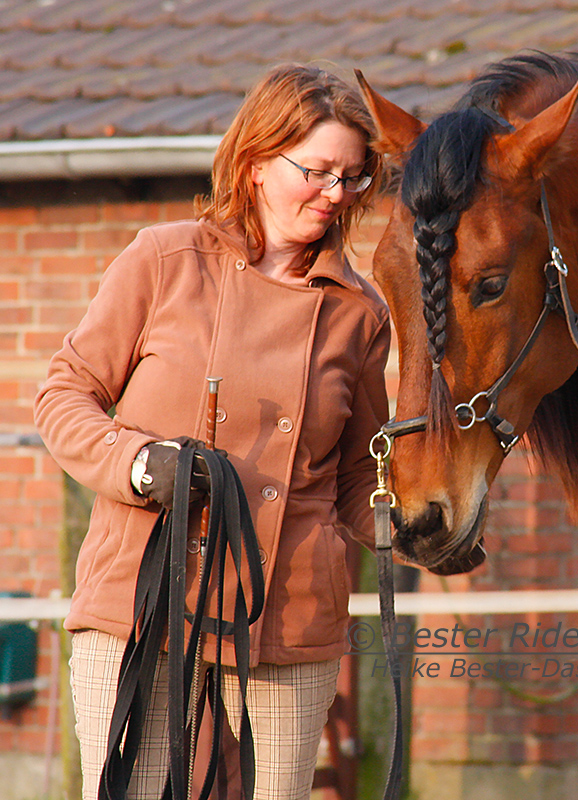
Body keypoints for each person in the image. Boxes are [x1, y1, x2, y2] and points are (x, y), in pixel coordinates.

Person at [34, 63, 391, 800]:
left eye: (353, 178)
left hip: (287, 614)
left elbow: (359, 476)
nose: (337, 195)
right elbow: (65, 394)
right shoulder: (163, 260)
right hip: (138, 598)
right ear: (258, 162)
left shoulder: (361, 312)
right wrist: (138, 464)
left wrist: (409, 525)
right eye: (318, 171)